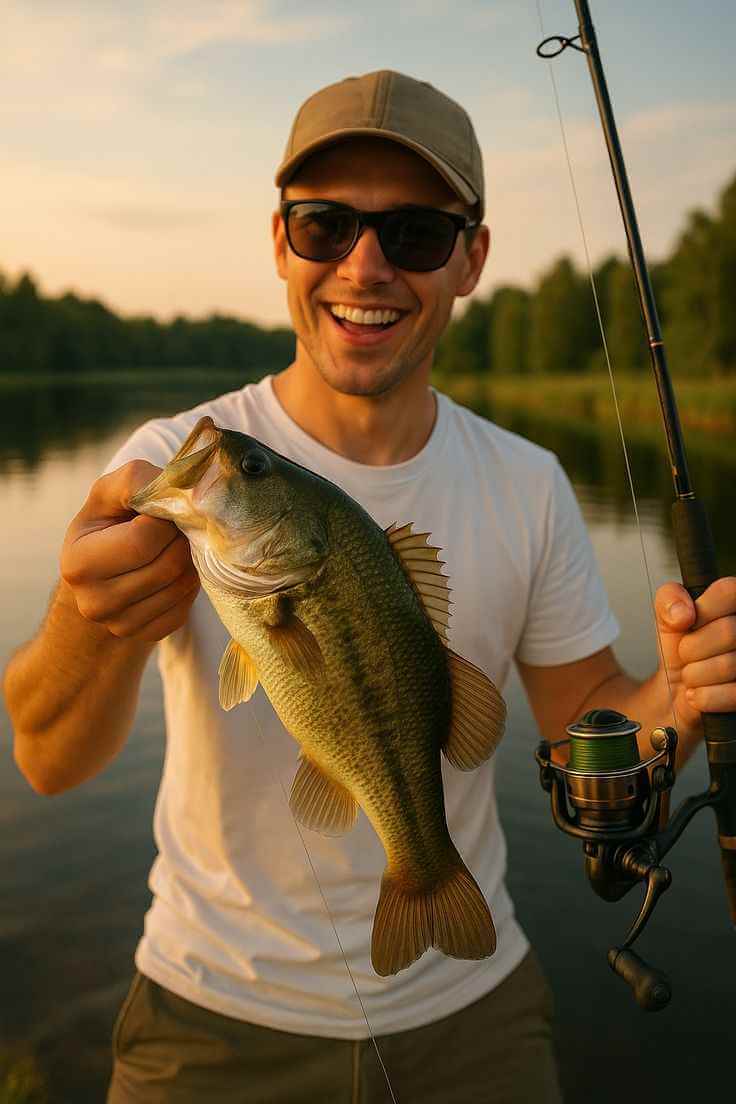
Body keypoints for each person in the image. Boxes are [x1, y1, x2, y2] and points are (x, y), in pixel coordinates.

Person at [4, 70, 736, 1104]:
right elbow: (46, 761)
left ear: (471, 258)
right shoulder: (172, 464)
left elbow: (589, 726)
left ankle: (418, 867)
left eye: (414, 236)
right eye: (323, 224)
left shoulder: (525, 483)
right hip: (212, 1016)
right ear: (278, 242)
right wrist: (91, 622)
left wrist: (687, 696)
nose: (364, 265)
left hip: (473, 1015)